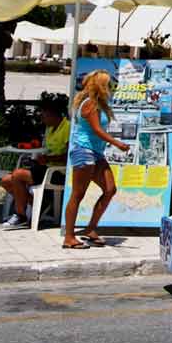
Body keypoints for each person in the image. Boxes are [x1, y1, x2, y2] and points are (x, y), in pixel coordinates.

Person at [64, 70, 130, 249]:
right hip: (83, 151)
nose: (111, 87)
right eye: (108, 84)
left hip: (96, 153)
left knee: (110, 189)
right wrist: (117, 143)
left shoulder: (99, 104)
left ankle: (90, 229)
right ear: (100, 86)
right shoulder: (90, 104)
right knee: (78, 194)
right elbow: (96, 130)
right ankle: (69, 237)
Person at [0, 101, 70, 231]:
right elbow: (47, 149)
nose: (42, 119)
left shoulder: (67, 128)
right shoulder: (49, 129)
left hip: (58, 172)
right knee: (6, 181)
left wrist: (48, 158)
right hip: (45, 168)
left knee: (18, 175)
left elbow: (69, 156)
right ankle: (38, 204)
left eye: (44, 116)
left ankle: (20, 215)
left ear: (54, 115)